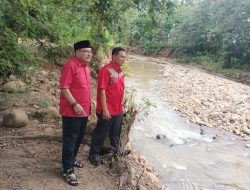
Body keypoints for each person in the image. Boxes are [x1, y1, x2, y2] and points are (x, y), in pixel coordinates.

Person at [59, 40, 92, 186]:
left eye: (90, 52)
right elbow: (64, 88)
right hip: (71, 111)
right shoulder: (70, 65)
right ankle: (67, 170)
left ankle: (71, 159)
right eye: (86, 51)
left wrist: (90, 102)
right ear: (77, 52)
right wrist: (74, 103)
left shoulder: (86, 67)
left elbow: (84, 88)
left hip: (84, 110)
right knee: (70, 140)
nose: (89, 54)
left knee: (78, 138)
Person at [89, 47, 126, 166]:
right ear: (114, 56)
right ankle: (93, 154)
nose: (123, 59)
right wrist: (104, 109)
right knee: (100, 133)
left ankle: (116, 152)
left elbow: (120, 91)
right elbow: (102, 91)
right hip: (107, 110)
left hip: (118, 110)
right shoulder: (106, 71)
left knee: (115, 133)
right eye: (121, 56)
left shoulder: (120, 72)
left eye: (125, 57)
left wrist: (122, 107)